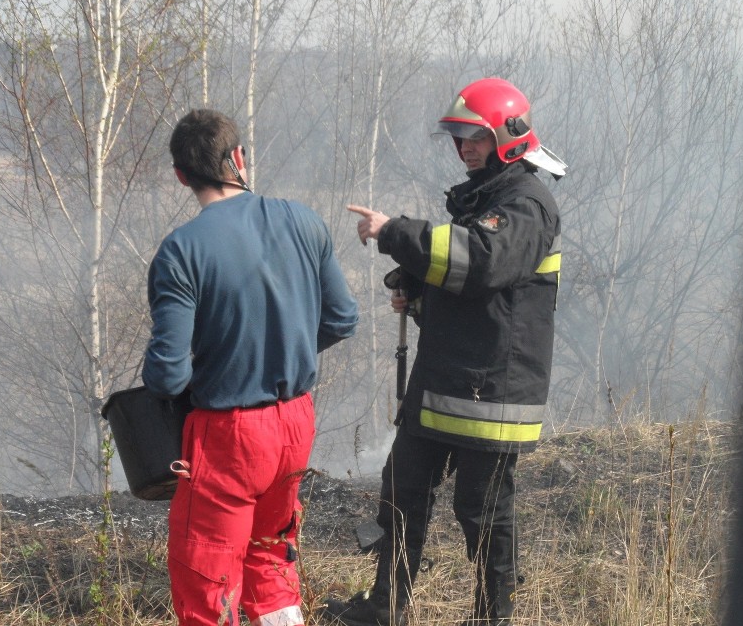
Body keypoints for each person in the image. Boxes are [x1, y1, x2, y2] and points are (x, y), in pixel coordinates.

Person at [322, 78, 566, 626]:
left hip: (491, 392)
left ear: (506, 135)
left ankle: (490, 617)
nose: (465, 148)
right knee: (401, 493)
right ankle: (385, 609)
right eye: (458, 138)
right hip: (446, 383)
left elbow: (482, 261)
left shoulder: (528, 203)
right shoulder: (487, 196)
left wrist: (395, 233)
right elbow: (471, 289)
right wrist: (417, 285)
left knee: (481, 511)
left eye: (474, 137)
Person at [142, 109, 359, 626]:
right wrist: (286, 348)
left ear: (181, 176)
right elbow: (342, 319)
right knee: (271, 556)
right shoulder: (305, 220)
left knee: (207, 580)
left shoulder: (181, 252)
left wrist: (219, 362)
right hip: (296, 422)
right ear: (238, 159)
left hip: (228, 435)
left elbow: (168, 376)